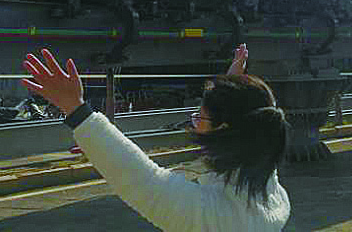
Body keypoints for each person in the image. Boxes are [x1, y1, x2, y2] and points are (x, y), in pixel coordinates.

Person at [22, 44, 291, 231]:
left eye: (200, 118)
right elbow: (250, 129)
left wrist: (77, 111)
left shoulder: (217, 220)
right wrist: (231, 89)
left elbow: (143, 181)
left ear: (225, 131)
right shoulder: (268, 192)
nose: (194, 123)